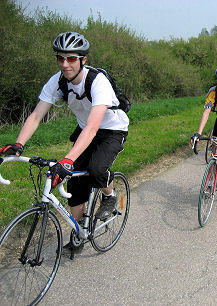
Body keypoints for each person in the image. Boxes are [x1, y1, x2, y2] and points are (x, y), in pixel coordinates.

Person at [0, 32, 129, 254]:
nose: (65, 64)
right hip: (84, 128)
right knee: (74, 181)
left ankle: (110, 196)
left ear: (83, 60)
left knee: (96, 169)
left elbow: (93, 126)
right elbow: (36, 116)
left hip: (111, 130)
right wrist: (19, 144)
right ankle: (78, 232)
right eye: (60, 58)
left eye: (71, 59)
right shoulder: (57, 81)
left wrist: (68, 159)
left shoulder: (98, 82)